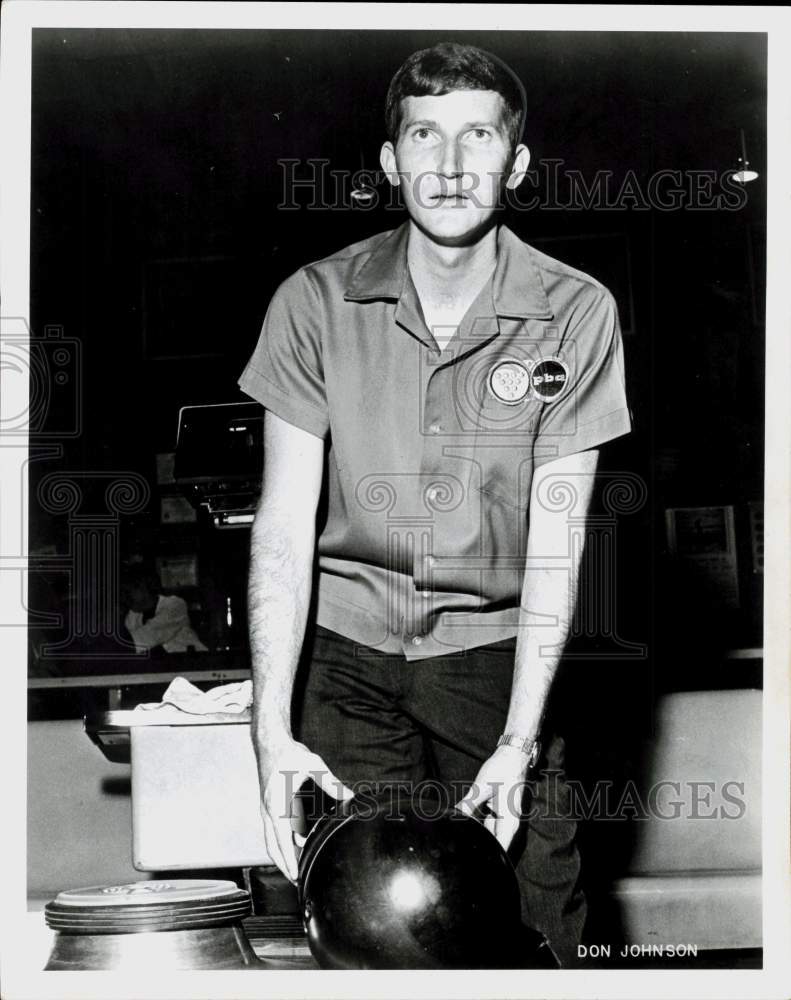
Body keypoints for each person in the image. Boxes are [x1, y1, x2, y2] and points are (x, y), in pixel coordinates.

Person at [239, 41, 631, 967]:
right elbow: (283, 530)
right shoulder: (313, 301)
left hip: (497, 661)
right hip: (343, 660)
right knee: (371, 930)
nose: (451, 167)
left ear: (516, 163)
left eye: (478, 138)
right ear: (390, 161)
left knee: (538, 929)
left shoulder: (576, 311)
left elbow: (554, 545)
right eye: (424, 135)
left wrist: (518, 742)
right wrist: (267, 737)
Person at [122, 564, 207, 654]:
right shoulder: (132, 616)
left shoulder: (174, 605)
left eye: (128, 591)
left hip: (195, 662)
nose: (124, 597)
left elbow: (150, 636)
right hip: (164, 665)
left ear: (145, 587)